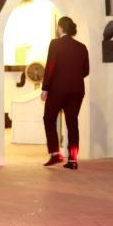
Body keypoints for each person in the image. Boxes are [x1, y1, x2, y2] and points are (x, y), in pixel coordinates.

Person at [41, 16, 89, 169]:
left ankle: (56, 154)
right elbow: (86, 71)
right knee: (72, 123)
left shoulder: (55, 44)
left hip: (58, 89)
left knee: (49, 118)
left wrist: (45, 88)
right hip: (77, 90)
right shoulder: (82, 47)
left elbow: (50, 67)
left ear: (60, 27)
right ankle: (73, 159)